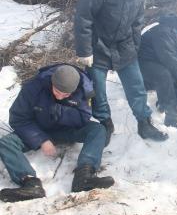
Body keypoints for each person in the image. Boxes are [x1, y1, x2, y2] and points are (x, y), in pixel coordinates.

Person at [74, 0, 168, 143]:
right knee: (98, 91)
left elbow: (138, 20)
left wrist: (134, 45)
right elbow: (83, 17)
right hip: (98, 45)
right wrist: (85, 51)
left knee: (136, 86)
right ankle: (104, 125)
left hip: (124, 45)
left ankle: (144, 123)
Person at [0, 64, 114, 202]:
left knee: (98, 130)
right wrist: (41, 139)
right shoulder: (33, 87)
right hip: (38, 129)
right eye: (57, 91)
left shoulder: (83, 89)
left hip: (66, 130)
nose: (60, 96)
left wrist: (59, 112)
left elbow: (83, 117)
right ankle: (30, 184)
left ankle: (84, 176)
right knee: (5, 142)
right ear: (52, 82)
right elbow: (18, 119)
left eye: (65, 94)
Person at [138, 6, 177, 132]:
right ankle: (171, 116)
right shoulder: (164, 32)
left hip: (158, 60)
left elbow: (174, 58)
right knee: (164, 74)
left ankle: (165, 99)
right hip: (142, 63)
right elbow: (171, 61)